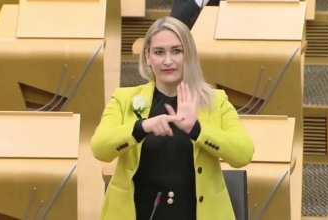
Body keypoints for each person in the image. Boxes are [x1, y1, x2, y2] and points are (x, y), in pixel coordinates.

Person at [91, 16, 254, 220]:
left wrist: (197, 130)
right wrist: (141, 127)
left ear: (189, 56)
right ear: (147, 58)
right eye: (159, 52)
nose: (168, 60)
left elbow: (243, 154)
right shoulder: (124, 99)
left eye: (176, 51)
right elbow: (100, 149)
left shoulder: (216, 101)